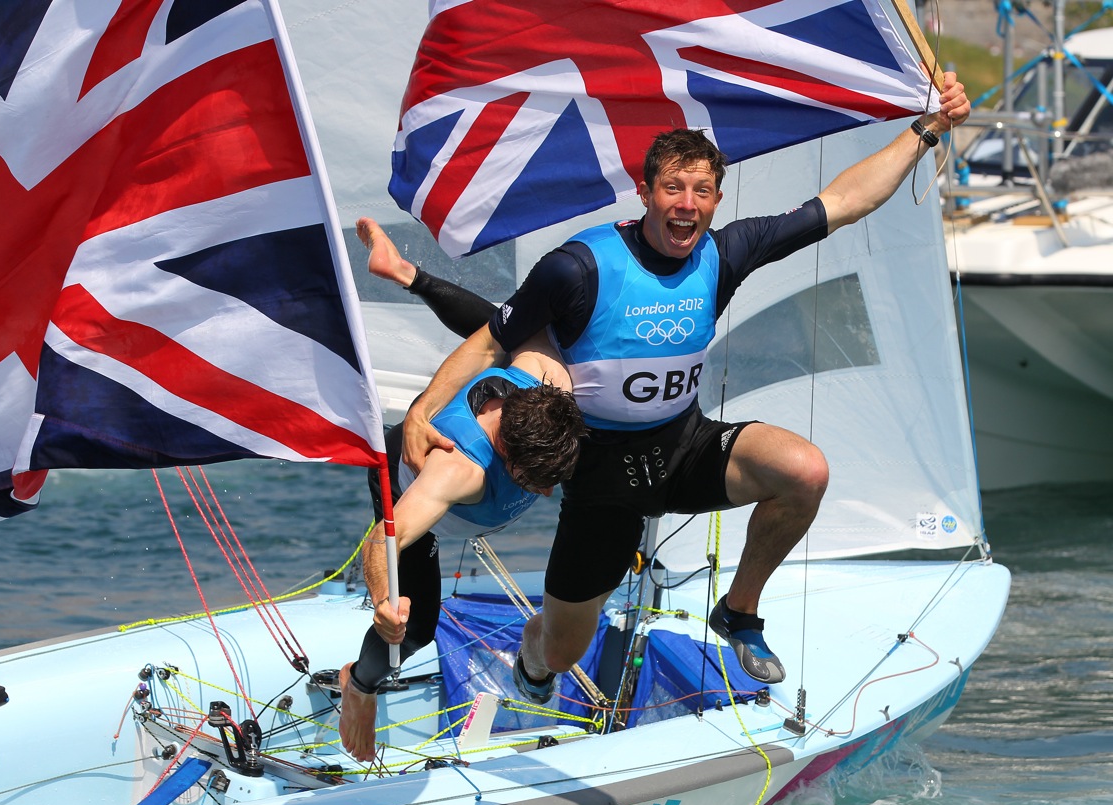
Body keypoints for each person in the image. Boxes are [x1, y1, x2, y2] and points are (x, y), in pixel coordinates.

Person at [400, 76, 972, 698]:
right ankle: (532, 663)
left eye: (701, 190)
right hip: (598, 479)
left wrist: (926, 130)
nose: (686, 203)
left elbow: (843, 201)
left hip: (682, 448)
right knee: (564, 650)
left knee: (804, 471)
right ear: (645, 193)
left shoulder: (725, 255)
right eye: (672, 187)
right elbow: (490, 338)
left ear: (716, 199)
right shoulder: (578, 267)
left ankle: (739, 612)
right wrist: (421, 411)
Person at [338, 219, 586, 763]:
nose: (541, 497)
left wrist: (412, 278)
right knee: (415, 627)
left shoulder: (550, 381)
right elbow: (382, 542)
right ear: (504, 453)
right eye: (531, 483)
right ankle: (358, 687)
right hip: (403, 479)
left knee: (513, 329)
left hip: (496, 398)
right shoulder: (459, 470)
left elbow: (503, 322)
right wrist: (383, 602)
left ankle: (404, 271)